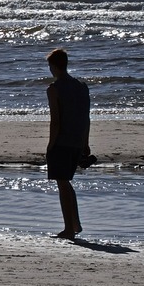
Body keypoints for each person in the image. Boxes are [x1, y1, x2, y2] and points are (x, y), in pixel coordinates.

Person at [45, 48, 91, 240]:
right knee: (66, 182)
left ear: (54, 66)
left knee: (62, 184)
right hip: (78, 140)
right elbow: (86, 117)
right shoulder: (81, 86)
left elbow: (55, 121)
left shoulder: (53, 89)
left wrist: (50, 145)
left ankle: (69, 228)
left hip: (62, 141)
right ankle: (75, 223)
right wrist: (86, 143)